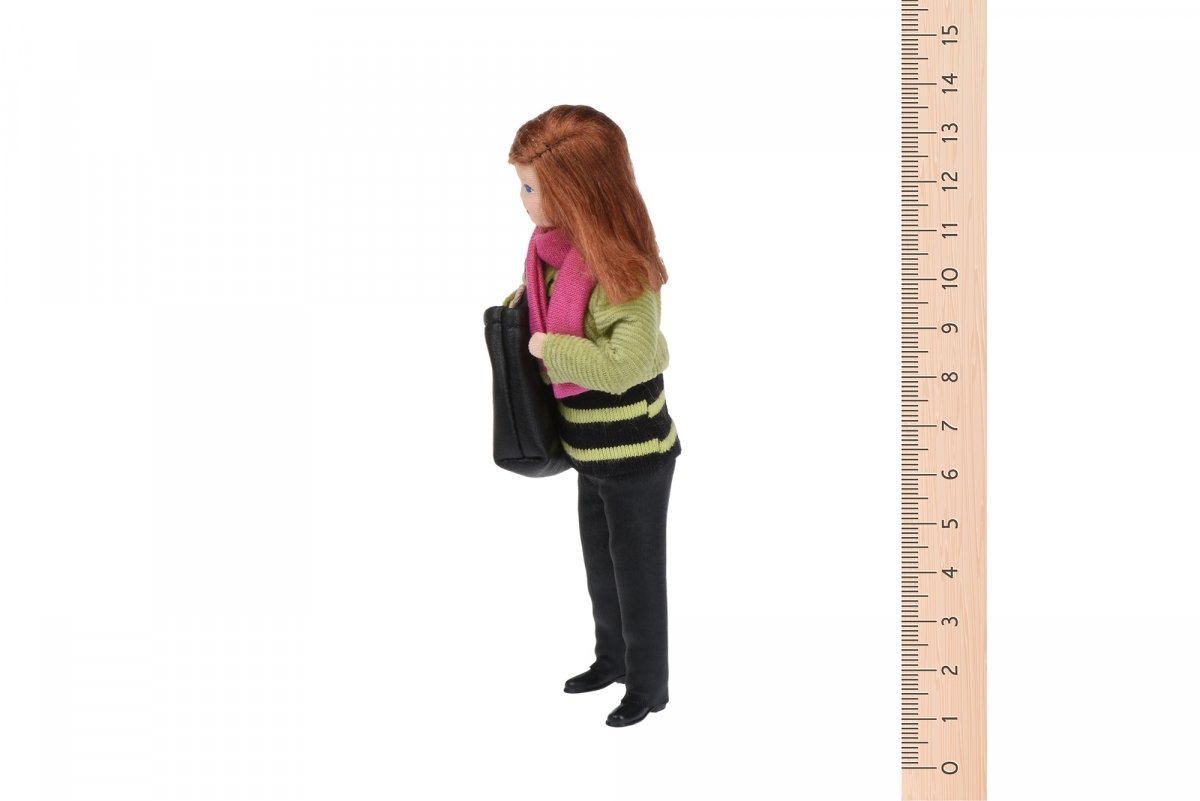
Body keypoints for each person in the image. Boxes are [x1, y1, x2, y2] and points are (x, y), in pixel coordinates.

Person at [502, 105, 681, 728]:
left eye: (532, 188)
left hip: (635, 453)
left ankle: (649, 687)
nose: (523, 200)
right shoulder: (550, 256)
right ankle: (612, 660)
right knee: (601, 569)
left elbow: (625, 362)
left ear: (575, 191)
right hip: (586, 449)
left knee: (638, 576)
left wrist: (548, 347)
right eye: (523, 186)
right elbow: (542, 313)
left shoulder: (624, 268)